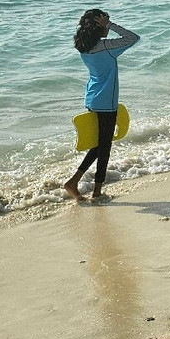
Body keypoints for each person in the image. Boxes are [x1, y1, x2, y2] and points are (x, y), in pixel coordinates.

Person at [63, 10, 139, 200]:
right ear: (99, 25)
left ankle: (77, 183)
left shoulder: (84, 47)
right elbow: (133, 38)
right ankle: (94, 191)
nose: (108, 25)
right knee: (104, 148)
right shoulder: (106, 47)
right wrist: (110, 25)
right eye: (105, 21)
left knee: (100, 145)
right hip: (106, 102)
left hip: (92, 97)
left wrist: (105, 24)